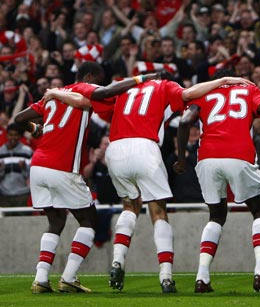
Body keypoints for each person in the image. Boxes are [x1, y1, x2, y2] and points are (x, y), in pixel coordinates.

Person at [45, 73, 254, 293]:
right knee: (158, 212)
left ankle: (117, 261)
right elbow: (189, 93)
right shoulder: (164, 85)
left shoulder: (123, 88)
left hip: (115, 149)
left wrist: (55, 92)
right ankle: (165, 276)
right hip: (145, 147)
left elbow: (85, 101)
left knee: (129, 206)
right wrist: (222, 81)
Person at [14, 61, 162, 294]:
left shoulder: (55, 95)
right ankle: (69, 278)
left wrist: (37, 130)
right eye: (98, 81)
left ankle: (41, 279)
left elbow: (19, 119)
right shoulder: (83, 88)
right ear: (90, 78)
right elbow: (104, 92)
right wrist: (140, 79)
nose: (100, 86)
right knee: (90, 221)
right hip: (61, 167)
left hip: (38, 165)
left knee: (56, 221)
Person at [174, 69, 260, 293]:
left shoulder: (204, 93)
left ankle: (202, 277)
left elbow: (184, 121)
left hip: (207, 158)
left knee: (216, 215)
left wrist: (180, 158)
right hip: (239, 155)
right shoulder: (248, 90)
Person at [0, 123, 33, 209]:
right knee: (5, 222)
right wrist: (1, 169)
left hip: (22, 194)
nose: (13, 138)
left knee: (23, 221)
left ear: (20, 136)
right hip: (4, 194)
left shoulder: (27, 151)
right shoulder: (0, 152)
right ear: (7, 135)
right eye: (10, 135)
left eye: (16, 135)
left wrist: (24, 168)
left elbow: (32, 175)